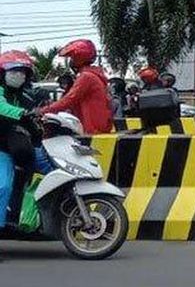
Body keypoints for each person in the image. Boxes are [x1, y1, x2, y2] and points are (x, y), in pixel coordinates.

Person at [0, 51, 41, 224]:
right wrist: (21, 114)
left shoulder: (25, 96)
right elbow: (1, 107)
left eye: (23, 72)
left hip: (18, 147)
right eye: (14, 72)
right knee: (3, 187)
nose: (19, 76)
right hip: (2, 149)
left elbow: (36, 117)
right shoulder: (1, 91)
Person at [39, 39, 113, 134]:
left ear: (78, 58)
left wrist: (43, 111)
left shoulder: (86, 77)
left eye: (72, 58)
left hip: (92, 126)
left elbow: (68, 100)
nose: (71, 61)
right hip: (99, 123)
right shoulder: (94, 74)